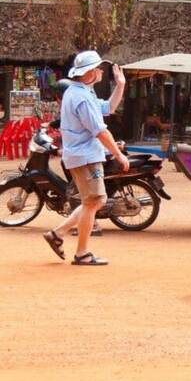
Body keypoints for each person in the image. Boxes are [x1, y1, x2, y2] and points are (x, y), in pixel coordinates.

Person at [42, 51, 128, 266]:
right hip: (85, 157)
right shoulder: (81, 97)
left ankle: (58, 234)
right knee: (95, 201)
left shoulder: (82, 92)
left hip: (83, 155)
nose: (101, 72)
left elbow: (109, 108)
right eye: (98, 69)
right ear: (90, 72)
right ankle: (81, 253)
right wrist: (118, 155)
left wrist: (120, 85)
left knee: (93, 201)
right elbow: (100, 131)